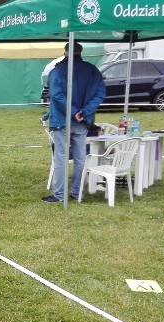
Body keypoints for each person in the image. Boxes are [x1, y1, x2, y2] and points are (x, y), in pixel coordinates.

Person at [42, 42, 106, 203]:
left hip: (62, 121)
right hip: (82, 122)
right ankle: (77, 193)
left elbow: (56, 96)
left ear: (65, 52)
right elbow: (100, 94)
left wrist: (73, 112)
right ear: (80, 51)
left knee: (61, 157)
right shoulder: (92, 70)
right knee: (80, 158)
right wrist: (84, 112)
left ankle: (59, 194)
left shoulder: (57, 71)